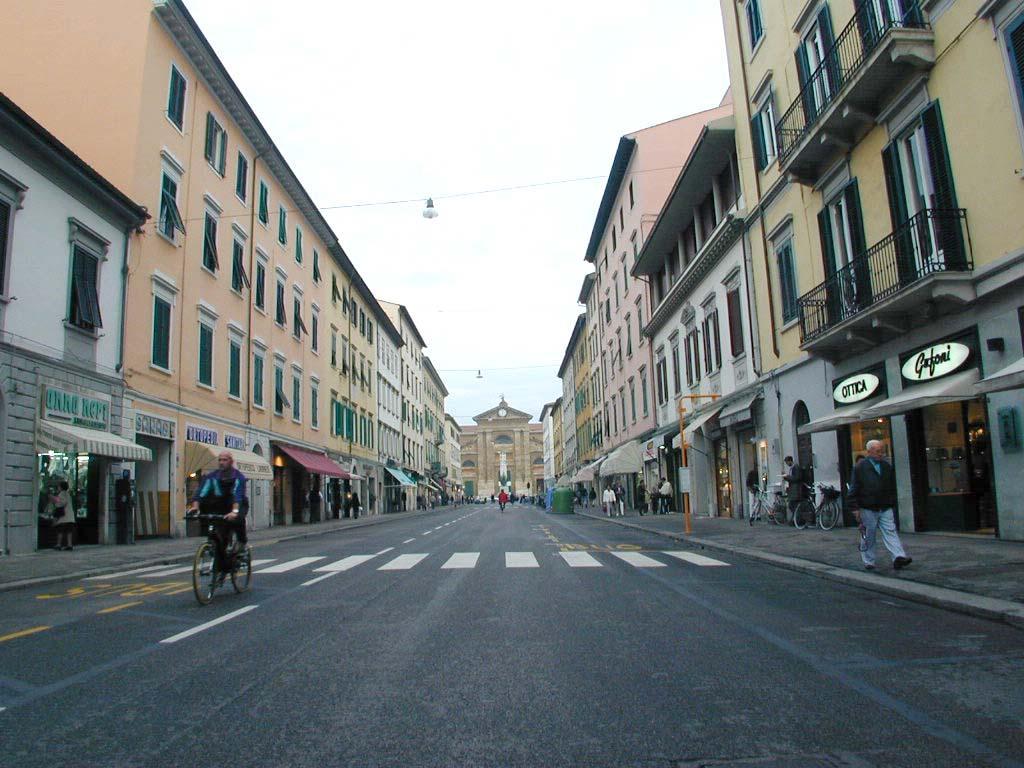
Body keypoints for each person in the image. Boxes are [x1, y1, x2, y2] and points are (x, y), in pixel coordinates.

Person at [847, 440, 912, 572]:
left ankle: (898, 557)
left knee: (890, 531)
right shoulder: (860, 468)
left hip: (885, 505)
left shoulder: (886, 466)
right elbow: (854, 489)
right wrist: (855, 508)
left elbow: (891, 485)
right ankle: (869, 560)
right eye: (878, 451)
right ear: (869, 452)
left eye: (882, 450)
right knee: (869, 534)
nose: (881, 454)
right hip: (868, 507)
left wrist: (892, 500)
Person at [190, 451, 248, 580]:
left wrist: (235, 511)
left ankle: (241, 543)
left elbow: (236, 495)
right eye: (220, 460)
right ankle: (219, 557)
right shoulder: (212, 477)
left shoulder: (238, 477)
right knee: (218, 534)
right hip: (220, 506)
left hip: (237, 505)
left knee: (237, 521)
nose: (221, 462)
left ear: (231, 461)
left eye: (225, 460)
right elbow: (201, 492)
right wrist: (195, 507)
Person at [51, 480, 75, 551]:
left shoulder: (62, 494)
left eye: (58, 486)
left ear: (61, 487)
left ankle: (58, 544)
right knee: (69, 531)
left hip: (64, 516)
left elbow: (62, 502)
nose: (58, 488)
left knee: (60, 530)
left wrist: (54, 499)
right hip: (70, 516)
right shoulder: (68, 494)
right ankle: (69, 544)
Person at [782, 456, 806, 521]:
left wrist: (787, 476)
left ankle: (798, 519)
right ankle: (796, 519)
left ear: (790, 461)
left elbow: (796, 478)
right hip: (793, 489)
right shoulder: (793, 468)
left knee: (792, 505)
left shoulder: (796, 467)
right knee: (793, 505)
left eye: (787, 462)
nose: (787, 464)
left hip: (796, 489)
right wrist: (786, 477)